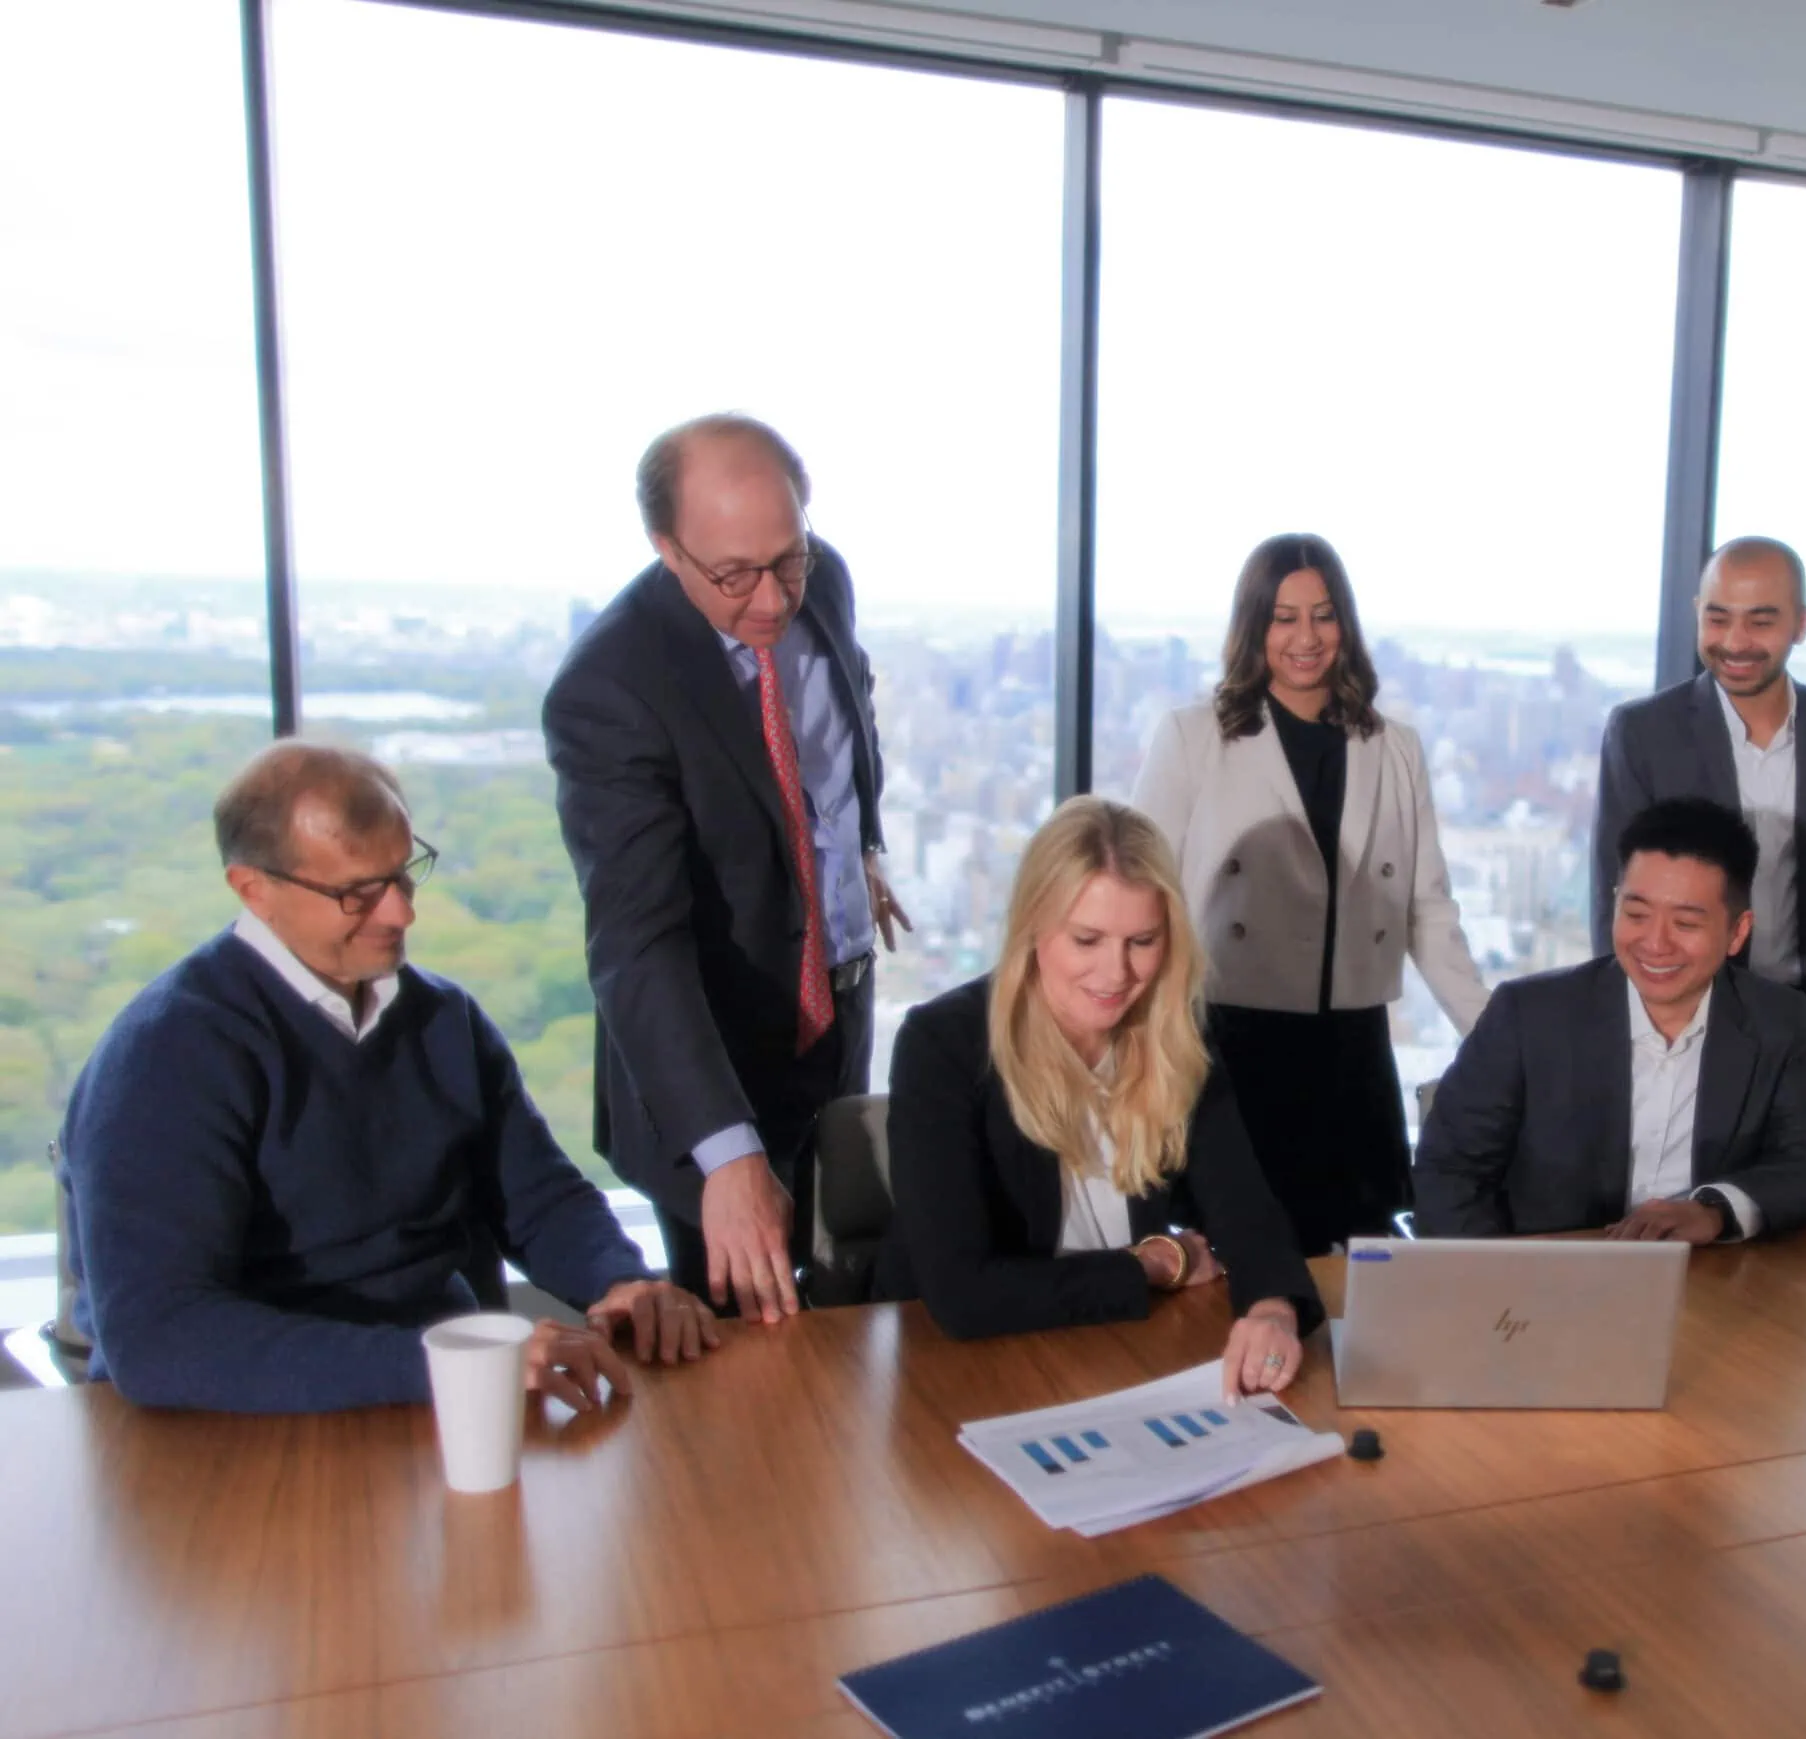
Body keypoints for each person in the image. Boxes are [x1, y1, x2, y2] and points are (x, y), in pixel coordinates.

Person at [58, 743, 718, 1414]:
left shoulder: (442, 1017)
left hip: (440, 1406)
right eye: (356, 892)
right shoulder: (167, 1054)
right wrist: (453, 1365)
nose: (401, 912)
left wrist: (620, 1281)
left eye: (402, 874)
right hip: (230, 1434)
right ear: (254, 890)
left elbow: (539, 1197)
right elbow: (162, 1340)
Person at [544, 414, 910, 1324]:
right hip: (711, 1053)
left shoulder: (822, 583)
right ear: (667, 548)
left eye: (788, 558)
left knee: (844, 1306)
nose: (773, 599)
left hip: (837, 1010)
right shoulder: (612, 686)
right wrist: (727, 1151)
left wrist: (858, 853)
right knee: (736, 1352)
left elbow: (838, 729)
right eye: (734, 575)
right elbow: (637, 943)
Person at [874, 798, 1322, 1399]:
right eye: (1087, 939)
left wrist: (1273, 1310)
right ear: (1034, 925)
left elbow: (1247, 1214)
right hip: (958, 1374)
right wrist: (1151, 1264)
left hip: (1120, 1355)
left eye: (1142, 940)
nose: (1115, 975)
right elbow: (961, 1296)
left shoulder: (1176, 1035)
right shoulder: (942, 1044)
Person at [1132, 533, 1487, 1253]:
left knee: (1357, 1265)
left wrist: (1496, 1035)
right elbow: (1142, 895)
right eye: (1284, 616)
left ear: (1345, 626)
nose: (1306, 636)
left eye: (1323, 615)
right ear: (1253, 625)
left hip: (1352, 1050)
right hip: (1229, 1042)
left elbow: (1428, 910)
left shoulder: (1394, 748)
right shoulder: (1193, 737)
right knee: (1234, 1260)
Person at [1415, 797, 1806, 1242]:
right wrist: (1502, 1283)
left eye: (1686, 923)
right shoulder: (1528, 1016)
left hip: (1705, 1286)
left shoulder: (1773, 1019)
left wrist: (1714, 1210)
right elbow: (1448, 1172)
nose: (1655, 943)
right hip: (1550, 1280)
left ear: (1737, 932)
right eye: (1636, 914)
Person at [1591, 535, 1806, 1113]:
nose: (1734, 642)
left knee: (1795, 1192)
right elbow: (1617, 896)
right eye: (1717, 617)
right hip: (1684, 1017)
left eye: (1761, 621)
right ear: (1696, 614)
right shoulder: (1644, 733)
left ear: (1801, 624)